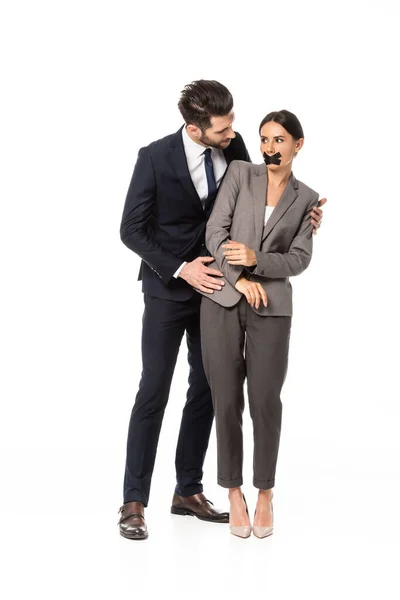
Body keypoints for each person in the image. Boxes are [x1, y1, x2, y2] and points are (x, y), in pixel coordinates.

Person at [118, 82, 325, 540]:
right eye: (224, 127)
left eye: (233, 123)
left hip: (223, 291)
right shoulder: (154, 157)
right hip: (171, 288)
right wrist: (179, 269)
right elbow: (130, 228)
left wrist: (306, 217)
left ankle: (187, 489)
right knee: (154, 387)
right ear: (195, 128)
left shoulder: (233, 147)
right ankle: (134, 501)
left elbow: (263, 194)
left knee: (209, 390)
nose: (234, 132)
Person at [200, 109, 321, 538]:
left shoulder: (307, 198)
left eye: (280, 140)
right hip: (223, 299)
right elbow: (216, 233)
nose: (270, 148)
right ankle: (233, 492)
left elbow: (300, 259)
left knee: (265, 400)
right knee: (226, 398)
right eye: (265, 139)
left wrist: (258, 261)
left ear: (297, 145)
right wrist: (241, 276)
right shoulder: (239, 173)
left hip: (274, 305)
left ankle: (265, 492)